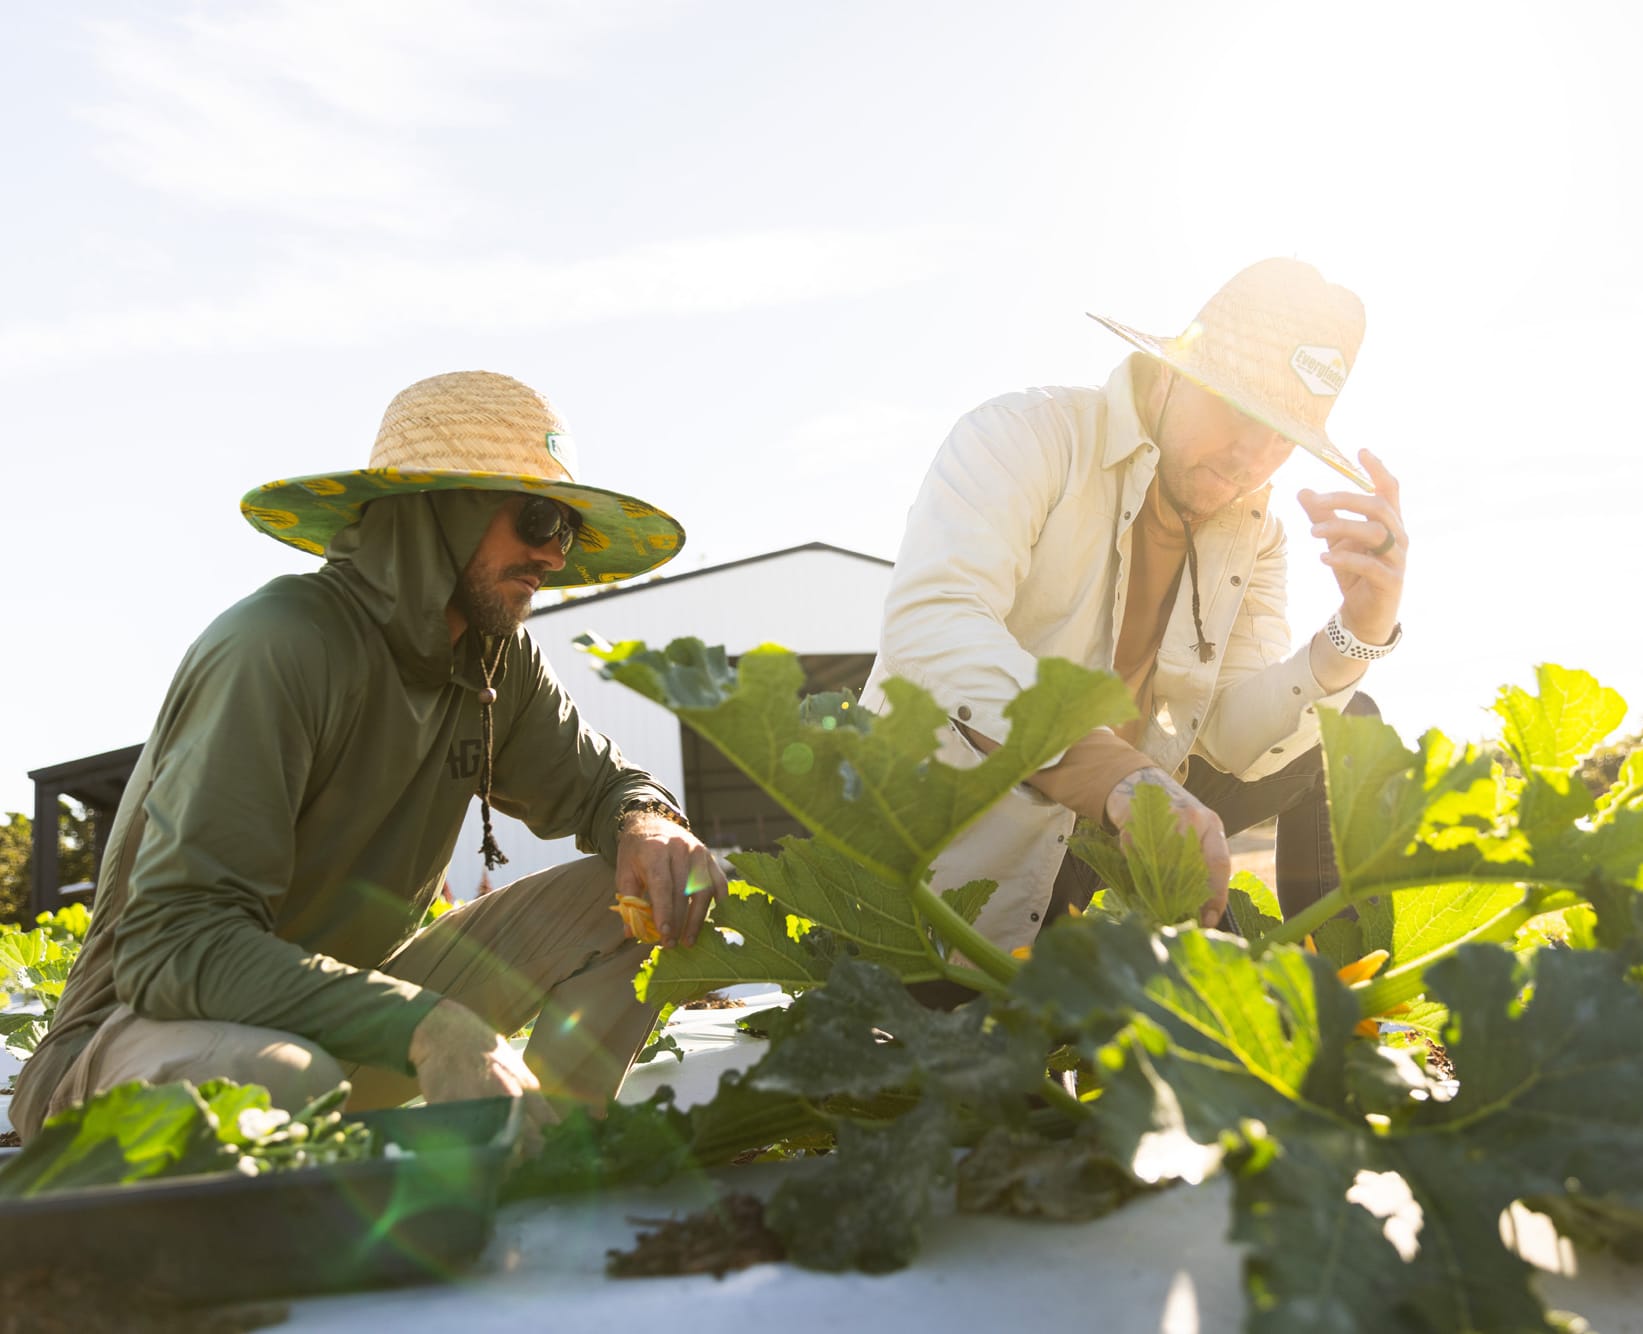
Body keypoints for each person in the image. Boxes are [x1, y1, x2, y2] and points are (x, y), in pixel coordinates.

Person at [12, 370, 727, 1144]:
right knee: (285, 1076)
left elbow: (605, 789)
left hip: (347, 1027)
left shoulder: (496, 662)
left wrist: (646, 823)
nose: (553, 556)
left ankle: (547, 1163)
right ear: (439, 511)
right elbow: (173, 946)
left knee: (649, 890)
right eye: (538, 519)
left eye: (566, 531)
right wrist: (433, 1027)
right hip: (142, 1037)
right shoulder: (279, 645)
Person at [863, 258, 1407, 959]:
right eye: (1241, 408)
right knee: (965, 1038)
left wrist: (1355, 635)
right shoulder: (1024, 436)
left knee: (1346, 730)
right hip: (957, 846)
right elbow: (932, 627)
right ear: (1176, 367)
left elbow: (1233, 740)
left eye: (1285, 437)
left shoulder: (1254, 533)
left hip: (1115, 828)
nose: (1252, 457)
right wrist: (1122, 778)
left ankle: (1351, 1002)